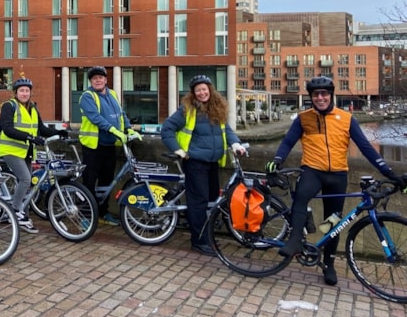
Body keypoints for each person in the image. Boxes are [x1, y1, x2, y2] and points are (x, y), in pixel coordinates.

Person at [265, 76, 405, 285]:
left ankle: (328, 264)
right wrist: (277, 160)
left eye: (324, 94)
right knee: (301, 197)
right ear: (311, 97)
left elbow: (366, 149)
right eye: (316, 94)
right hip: (313, 170)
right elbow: (287, 142)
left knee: (333, 222)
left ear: (331, 95)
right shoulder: (304, 118)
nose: (320, 98)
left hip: (337, 174)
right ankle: (294, 240)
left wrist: (389, 172)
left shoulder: (346, 119)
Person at [161, 74, 245, 256]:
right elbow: (167, 129)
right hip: (195, 162)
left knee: (211, 199)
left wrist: (236, 143)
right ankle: (198, 242)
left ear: (210, 90)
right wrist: (178, 150)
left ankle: (206, 235)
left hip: (213, 162)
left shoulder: (216, 108)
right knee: (198, 202)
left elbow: (226, 130)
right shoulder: (187, 109)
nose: (201, 93)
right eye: (198, 90)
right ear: (193, 93)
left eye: (204, 89)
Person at [0, 77, 67, 234]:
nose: (24, 93)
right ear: (16, 92)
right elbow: (7, 128)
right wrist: (29, 137)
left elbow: (41, 129)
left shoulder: (33, 109)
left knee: (28, 185)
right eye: (21, 90)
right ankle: (15, 211)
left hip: (27, 152)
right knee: (25, 179)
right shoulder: (9, 106)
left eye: (27, 91)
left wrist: (59, 132)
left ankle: (24, 218)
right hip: (11, 150)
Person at [78, 66, 137, 226]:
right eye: (94, 78)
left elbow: (121, 113)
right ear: (90, 81)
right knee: (90, 181)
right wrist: (113, 129)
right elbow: (95, 117)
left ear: (106, 79)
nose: (98, 80)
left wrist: (128, 128)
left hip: (109, 144)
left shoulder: (112, 94)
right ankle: (85, 216)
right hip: (93, 146)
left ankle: (103, 213)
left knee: (107, 180)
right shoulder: (87, 96)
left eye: (100, 77)